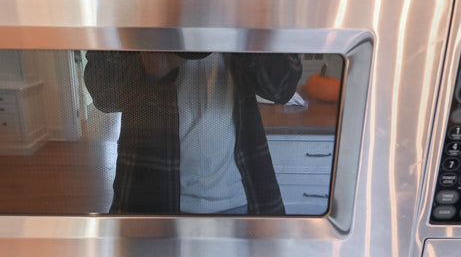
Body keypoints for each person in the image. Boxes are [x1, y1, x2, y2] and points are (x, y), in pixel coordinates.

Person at [84, 51, 302, 215]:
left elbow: (283, 87)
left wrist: (236, 28)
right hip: (148, 196)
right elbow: (102, 95)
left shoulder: (247, 0)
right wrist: (157, 61)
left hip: (241, 196)